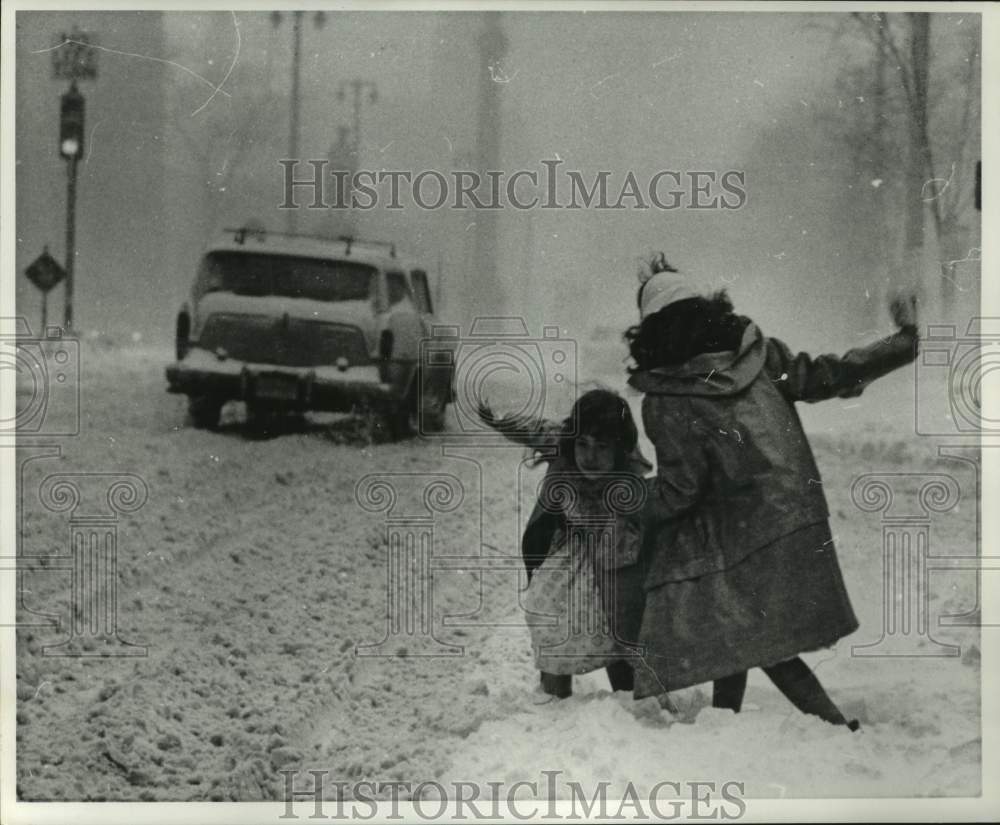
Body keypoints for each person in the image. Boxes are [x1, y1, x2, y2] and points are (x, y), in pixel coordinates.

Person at [625, 255, 920, 729]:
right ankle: (728, 719)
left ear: (651, 332)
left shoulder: (666, 399)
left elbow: (682, 490)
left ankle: (834, 727)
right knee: (741, 623)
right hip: (794, 512)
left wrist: (631, 503)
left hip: (739, 528)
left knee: (752, 633)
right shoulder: (759, 359)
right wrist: (903, 345)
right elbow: (831, 375)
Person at [478, 389, 651, 698]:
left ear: (619, 448)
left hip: (613, 561)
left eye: (602, 447)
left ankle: (628, 698)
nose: (591, 456)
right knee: (549, 613)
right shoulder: (562, 445)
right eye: (583, 444)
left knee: (617, 628)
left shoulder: (629, 477)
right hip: (567, 553)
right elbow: (534, 429)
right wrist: (498, 419)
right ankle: (553, 696)